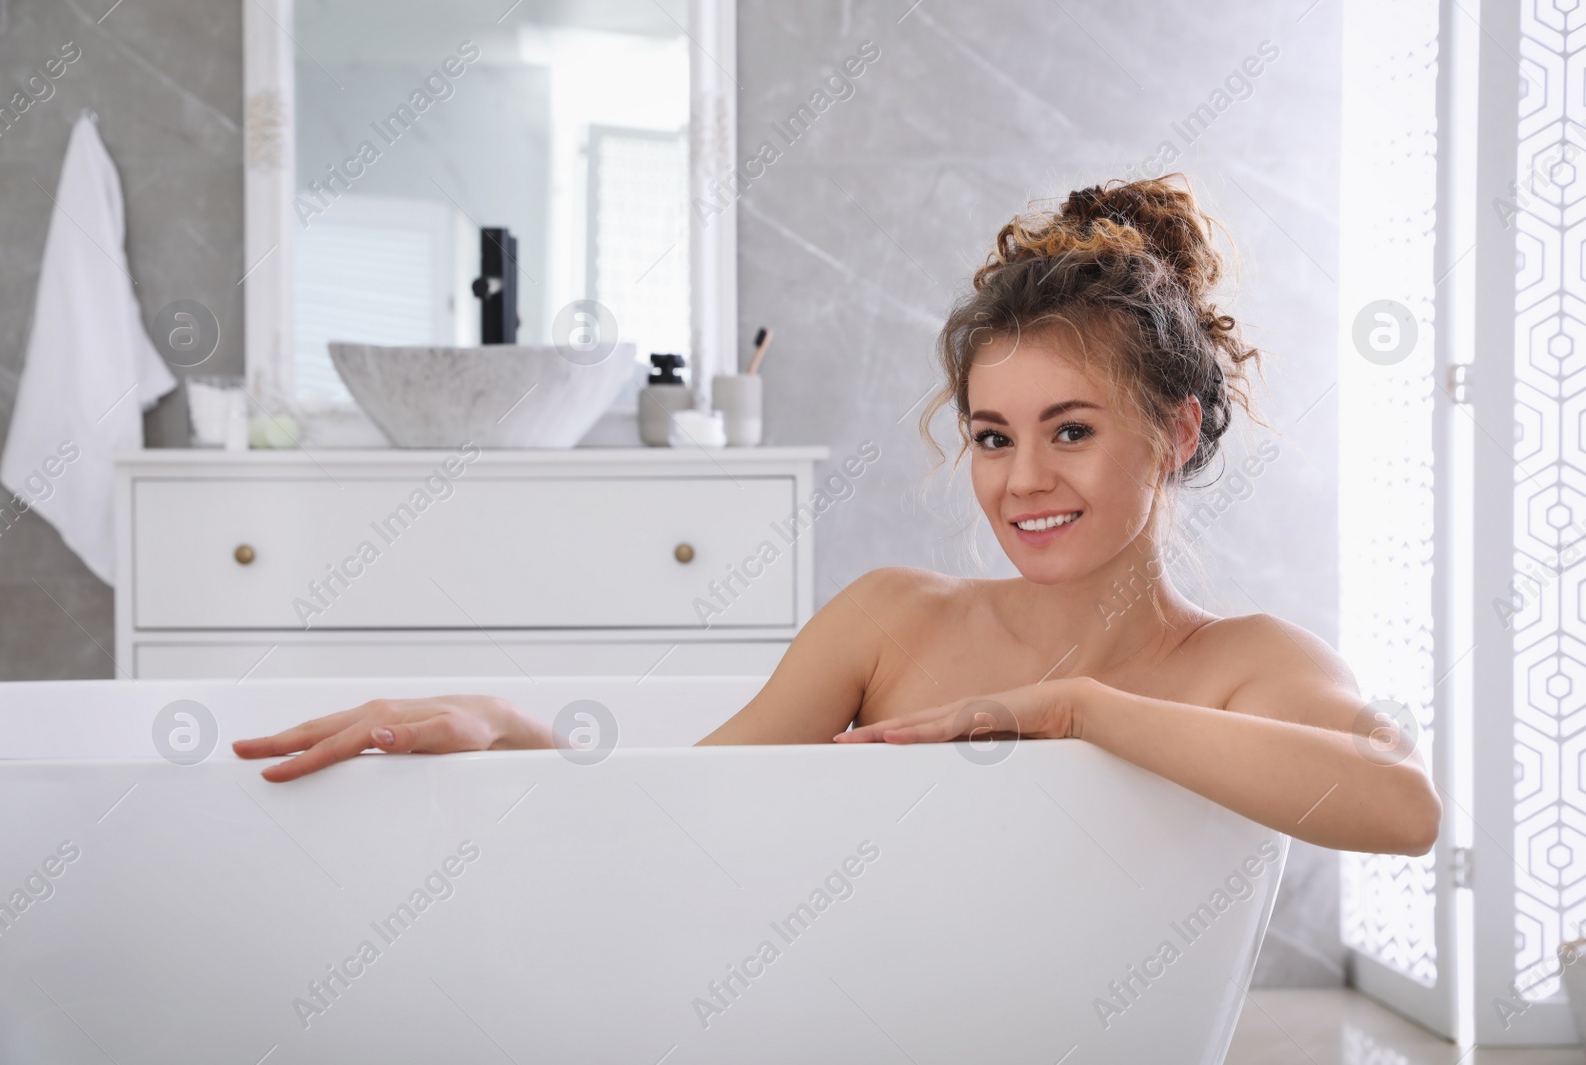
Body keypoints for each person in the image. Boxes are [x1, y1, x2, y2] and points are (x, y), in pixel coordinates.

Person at [234, 174, 1440, 857]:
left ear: (1174, 433)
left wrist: (1073, 709)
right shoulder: (891, 624)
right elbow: (677, 811)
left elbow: (1404, 809)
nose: (1023, 480)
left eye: (1070, 429)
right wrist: (505, 725)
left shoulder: (1242, 664)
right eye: (990, 435)